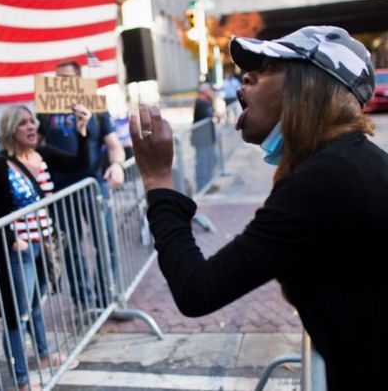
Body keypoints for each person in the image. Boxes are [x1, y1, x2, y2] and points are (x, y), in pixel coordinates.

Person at [130, 26, 386, 391]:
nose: (245, 76)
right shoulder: (347, 164)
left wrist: (157, 180)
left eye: (267, 67)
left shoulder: (324, 180)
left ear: (308, 86)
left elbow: (197, 289)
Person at [0, 104, 90, 391]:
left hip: (43, 246)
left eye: (33, 121)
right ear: (11, 130)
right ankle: (21, 380)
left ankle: (43, 354)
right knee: (18, 314)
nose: (31, 127)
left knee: (36, 305)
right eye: (24, 123)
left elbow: (79, 165)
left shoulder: (44, 154)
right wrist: (12, 238)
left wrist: (82, 132)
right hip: (17, 252)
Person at [37, 60, 125, 309]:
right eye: (57, 78)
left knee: (105, 240)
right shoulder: (47, 110)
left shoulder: (96, 108)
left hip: (92, 185)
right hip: (61, 189)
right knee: (71, 248)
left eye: (66, 78)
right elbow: (35, 147)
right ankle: (83, 302)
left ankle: (105, 296)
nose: (61, 83)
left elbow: (114, 145)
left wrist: (117, 165)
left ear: (79, 79)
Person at [191, 82, 219, 191]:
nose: (212, 93)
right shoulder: (201, 102)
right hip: (202, 140)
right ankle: (203, 187)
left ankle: (208, 184)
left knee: (211, 161)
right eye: (210, 90)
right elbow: (210, 114)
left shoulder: (207, 102)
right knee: (203, 163)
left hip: (207, 139)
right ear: (204, 91)